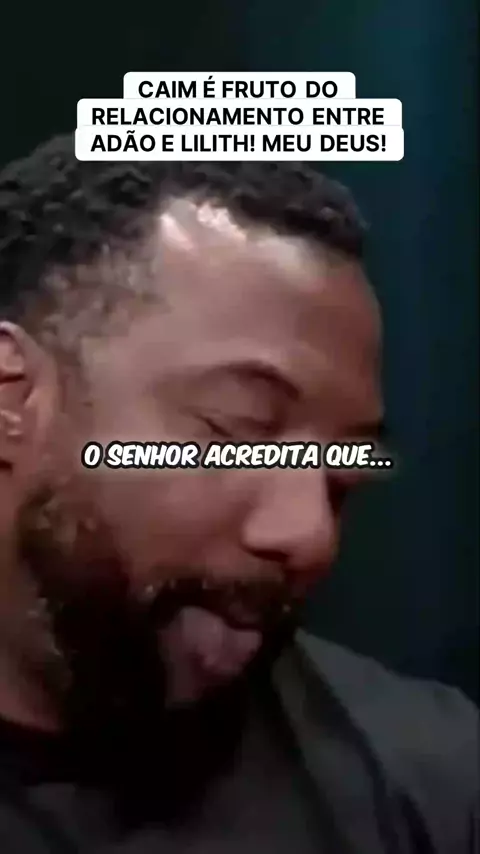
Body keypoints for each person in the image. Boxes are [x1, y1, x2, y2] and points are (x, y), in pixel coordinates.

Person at [0, 137, 477, 854]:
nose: (310, 534)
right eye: (240, 430)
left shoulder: (435, 782)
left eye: (342, 469)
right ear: (14, 398)